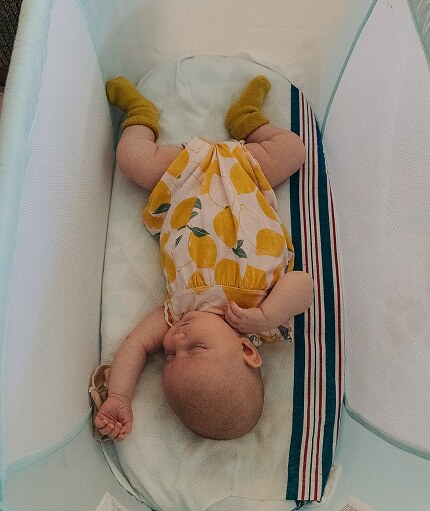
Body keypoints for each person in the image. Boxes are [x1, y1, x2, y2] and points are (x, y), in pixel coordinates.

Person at [93, 75, 314, 441]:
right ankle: (248, 120)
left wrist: (119, 395)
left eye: (170, 358)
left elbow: (134, 345)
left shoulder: (175, 313)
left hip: (184, 178)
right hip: (247, 170)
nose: (176, 342)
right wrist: (264, 315)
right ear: (246, 350)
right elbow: (303, 285)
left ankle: (141, 114)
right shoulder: (262, 314)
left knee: (130, 158)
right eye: (194, 348)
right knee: (293, 150)